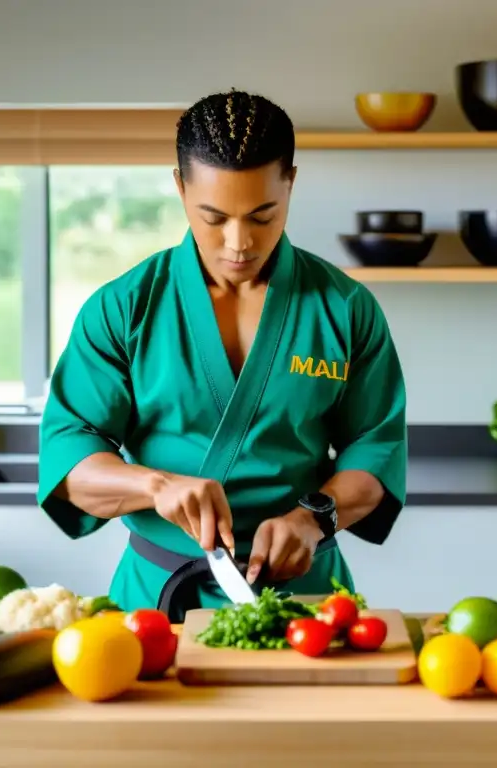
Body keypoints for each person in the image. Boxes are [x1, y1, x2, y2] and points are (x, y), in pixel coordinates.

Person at [36, 90, 408, 621]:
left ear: (292, 184)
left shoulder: (345, 310)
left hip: (306, 604)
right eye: (214, 218)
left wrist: (312, 518)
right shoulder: (123, 308)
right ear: (180, 187)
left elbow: (375, 451)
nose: (239, 242)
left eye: (263, 215)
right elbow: (68, 460)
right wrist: (154, 486)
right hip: (156, 605)